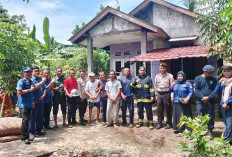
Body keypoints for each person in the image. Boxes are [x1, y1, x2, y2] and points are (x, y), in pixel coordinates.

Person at [194, 65, 217, 140]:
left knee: (210, 116)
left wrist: (208, 97)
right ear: (204, 72)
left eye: (211, 73)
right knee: (200, 115)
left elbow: (215, 90)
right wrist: (202, 97)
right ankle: (200, 130)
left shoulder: (213, 79)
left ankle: (210, 130)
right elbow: (196, 89)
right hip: (200, 101)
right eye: (209, 73)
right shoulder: (198, 78)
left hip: (210, 101)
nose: (210, 74)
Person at [212, 65, 232, 143]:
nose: (227, 73)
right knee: (227, 124)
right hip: (223, 105)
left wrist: (227, 102)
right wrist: (219, 82)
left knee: (229, 124)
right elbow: (216, 91)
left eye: (229, 71)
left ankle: (225, 142)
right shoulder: (223, 82)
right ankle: (229, 141)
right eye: (225, 71)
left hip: (229, 105)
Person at [17, 67, 35, 144]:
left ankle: (26, 135)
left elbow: (31, 93)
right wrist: (30, 90)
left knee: (27, 120)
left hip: (29, 103)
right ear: (23, 73)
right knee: (25, 120)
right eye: (26, 72)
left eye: (29, 72)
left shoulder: (31, 81)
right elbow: (19, 91)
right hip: (23, 104)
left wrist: (33, 102)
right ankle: (24, 137)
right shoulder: (21, 81)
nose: (28, 74)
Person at [29, 66, 47, 140]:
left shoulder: (40, 79)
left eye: (38, 71)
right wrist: (43, 81)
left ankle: (39, 130)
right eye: (35, 71)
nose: (37, 72)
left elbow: (44, 88)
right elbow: (34, 88)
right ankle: (31, 133)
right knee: (32, 117)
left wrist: (43, 95)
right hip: (34, 102)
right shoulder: (31, 80)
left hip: (41, 101)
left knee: (40, 116)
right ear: (32, 72)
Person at [154, 62, 174, 130]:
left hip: (166, 93)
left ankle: (169, 123)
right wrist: (156, 95)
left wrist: (171, 96)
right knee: (159, 109)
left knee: (168, 108)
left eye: (163, 68)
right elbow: (155, 86)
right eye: (161, 68)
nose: (162, 69)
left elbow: (172, 87)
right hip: (159, 93)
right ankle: (160, 122)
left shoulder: (170, 76)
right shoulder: (157, 76)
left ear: (166, 68)